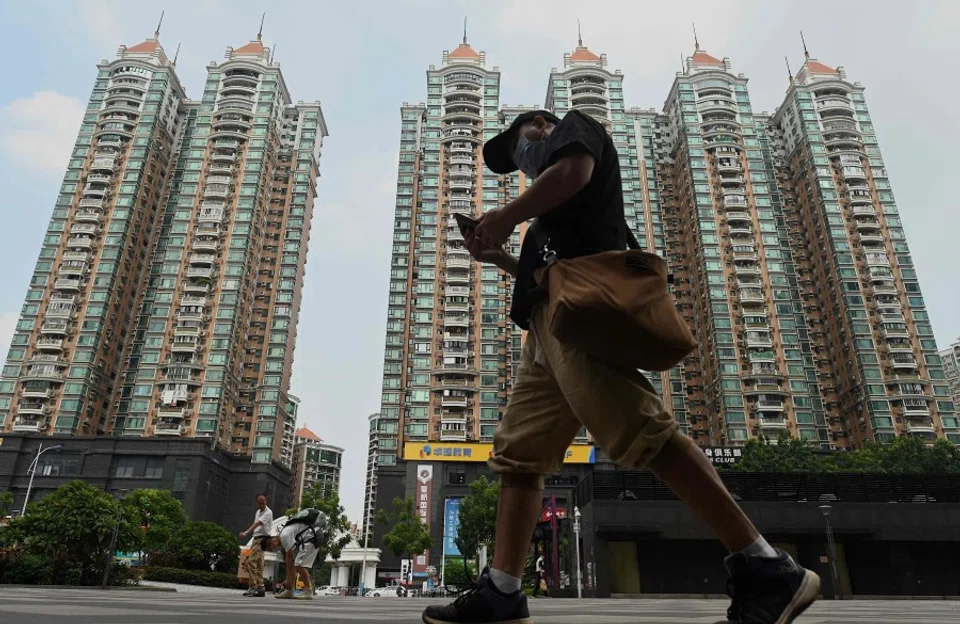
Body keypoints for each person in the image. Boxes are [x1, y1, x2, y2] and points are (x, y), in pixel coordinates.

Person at [421, 109, 821, 624]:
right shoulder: (543, 220)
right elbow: (543, 276)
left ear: (540, 125)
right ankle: (502, 591)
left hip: (584, 322)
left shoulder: (575, 131)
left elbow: (572, 172)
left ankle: (768, 568)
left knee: (642, 432)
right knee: (519, 457)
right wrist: (498, 254)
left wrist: (505, 216)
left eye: (519, 146)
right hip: (544, 334)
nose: (521, 162)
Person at [263, 509, 325, 600]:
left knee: (299, 564)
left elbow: (290, 560)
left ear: (272, 540)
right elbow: (293, 562)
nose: (273, 549)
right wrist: (289, 578)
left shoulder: (284, 536)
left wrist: (289, 580)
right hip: (312, 536)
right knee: (298, 563)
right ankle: (290, 590)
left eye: (271, 547)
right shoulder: (285, 536)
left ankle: (307, 591)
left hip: (313, 536)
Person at [239, 494, 273, 597]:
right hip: (256, 539)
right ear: (257, 503)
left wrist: (246, 532)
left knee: (251, 561)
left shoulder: (268, 512)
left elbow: (257, 524)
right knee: (259, 565)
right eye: (260, 504)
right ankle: (261, 588)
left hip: (262, 539)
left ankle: (253, 586)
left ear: (266, 501)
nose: (262, 505)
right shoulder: (258, 512)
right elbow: (256, 526)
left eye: (263, 503)